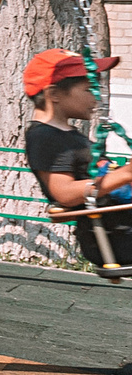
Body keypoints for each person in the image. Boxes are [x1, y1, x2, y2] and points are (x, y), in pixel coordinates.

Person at [21, 48, 132, 274]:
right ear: (53, 94)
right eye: (89, 89)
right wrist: (126, 174)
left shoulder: (68, 134)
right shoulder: (45, 137)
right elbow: (64, 193)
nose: (96, 96)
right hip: (116, 238)